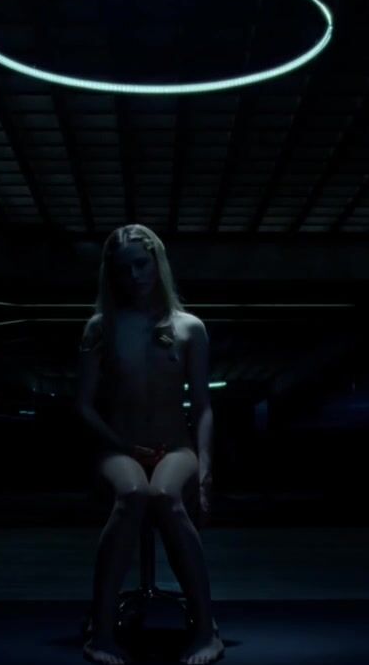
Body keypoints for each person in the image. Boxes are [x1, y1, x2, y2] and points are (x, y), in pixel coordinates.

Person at [77, 224, 224, 664]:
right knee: (133, 493)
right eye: (124, 269)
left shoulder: (189, 328)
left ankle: (206, 631)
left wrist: (205, 470)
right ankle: (102, 633)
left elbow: (203, 406)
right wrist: (121, 443)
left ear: (157, 263)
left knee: (164, 495)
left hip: (174, 445)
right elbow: (83, 405)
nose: (135, 276)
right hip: (118, 447)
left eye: (142, 265)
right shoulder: (101, 328)